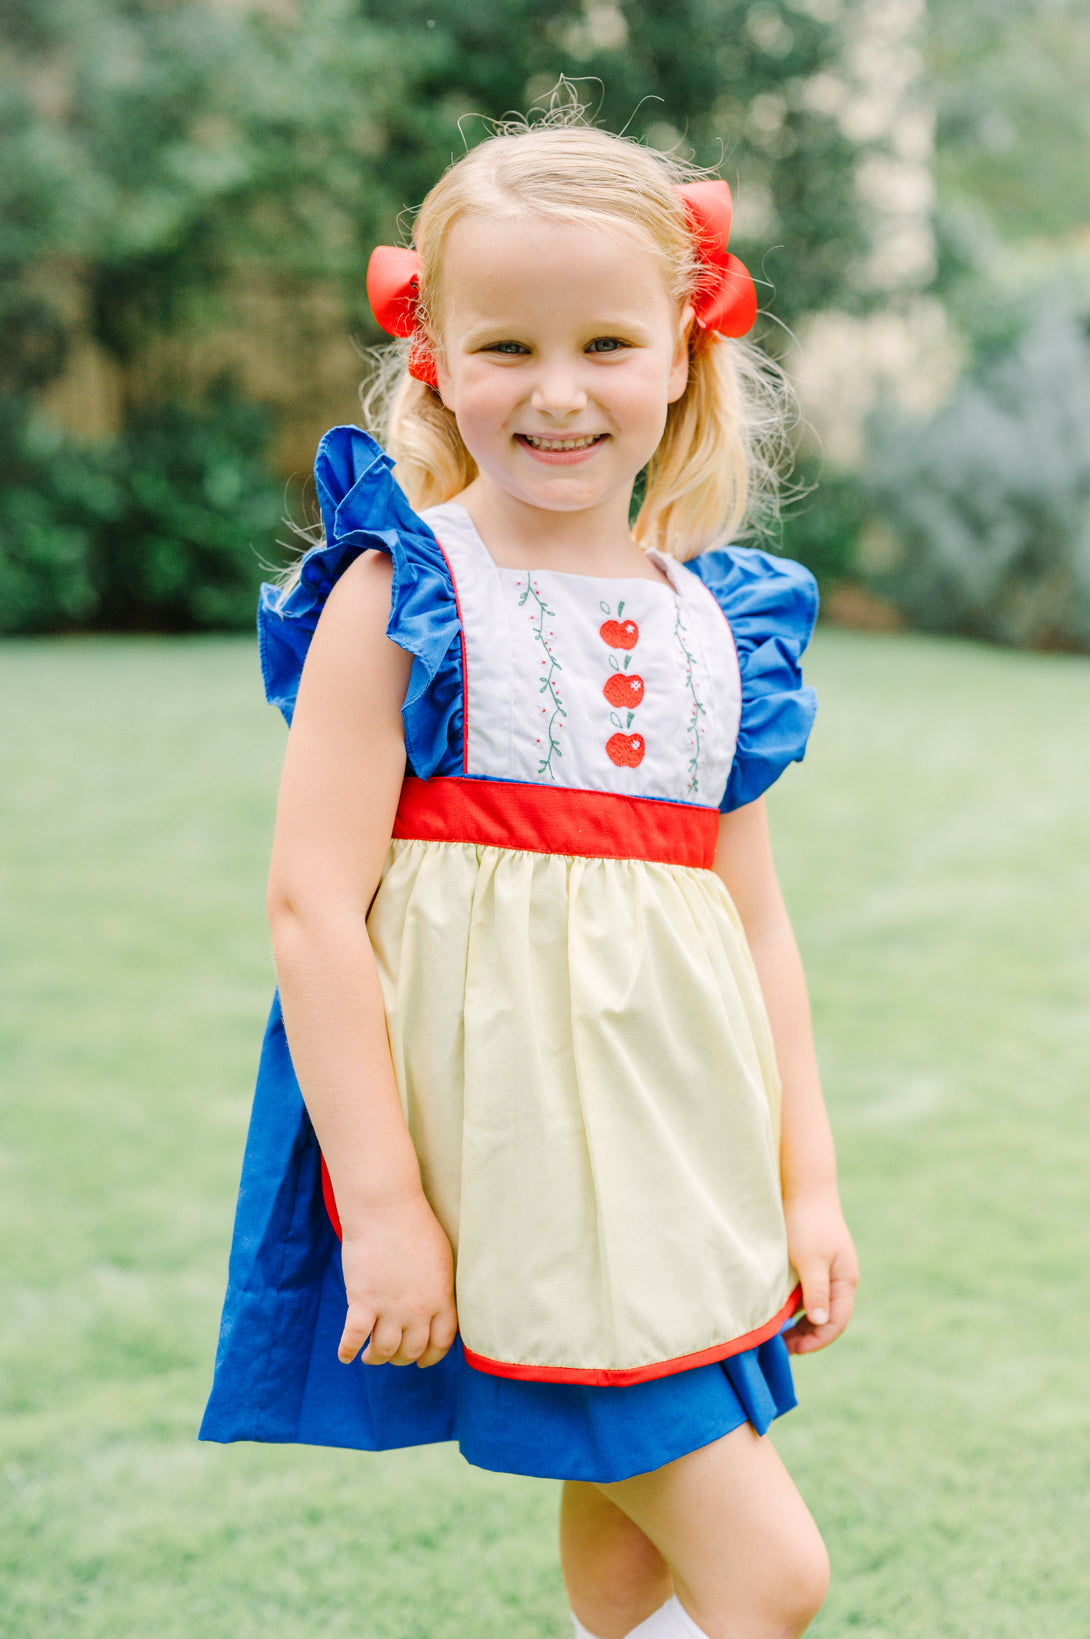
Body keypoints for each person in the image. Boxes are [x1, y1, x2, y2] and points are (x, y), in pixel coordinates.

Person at [201, 111, 858, 1639]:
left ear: (683, 353)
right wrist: (385, 1209)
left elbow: (752, 922)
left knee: (629, 1551)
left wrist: (804, 1180)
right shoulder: (403, 595)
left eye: (607, 343)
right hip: (513, 1158)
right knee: (771, 1577)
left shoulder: (717, 627)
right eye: (506, 345)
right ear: (431, 354)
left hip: (677, 1151)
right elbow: (312, 909)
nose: (557, 394)